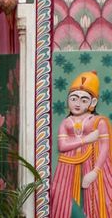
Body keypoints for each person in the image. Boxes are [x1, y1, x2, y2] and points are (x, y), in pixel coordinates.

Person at [51, 71, 112, 217]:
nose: (77, 104)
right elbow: (62, 146)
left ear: (93, 103)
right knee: (63, 202)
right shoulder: (66, 123)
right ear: (68, 99)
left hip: (92, 168)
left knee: (93, 204)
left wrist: (94, 172)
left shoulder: (99, 121)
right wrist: (86, 140)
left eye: (84, 100)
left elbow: (105, 147)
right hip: (66, 169)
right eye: (74, 98)